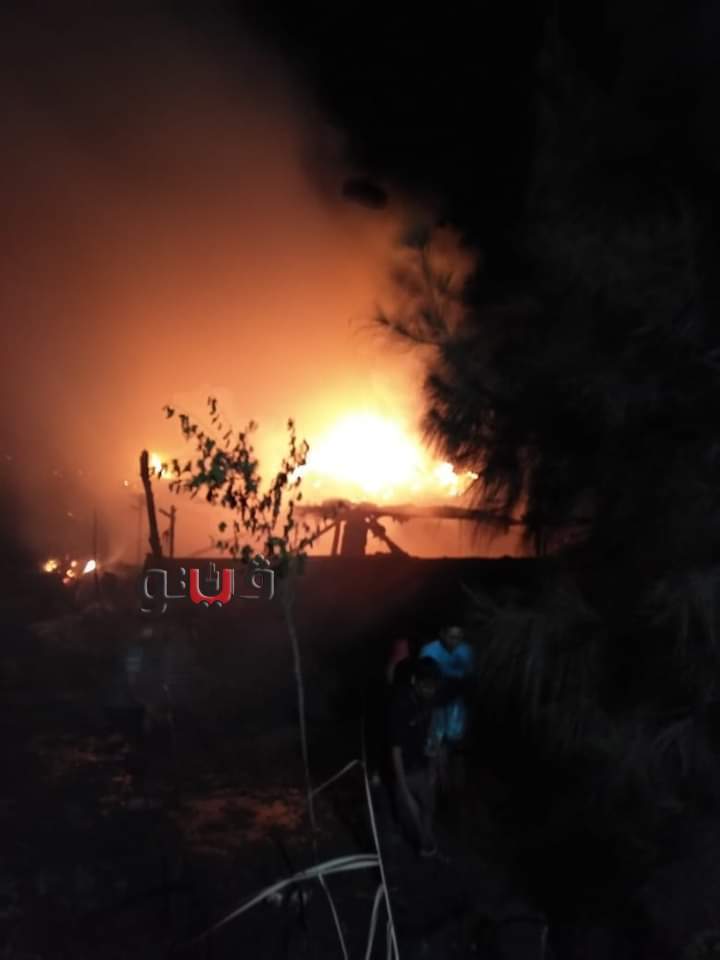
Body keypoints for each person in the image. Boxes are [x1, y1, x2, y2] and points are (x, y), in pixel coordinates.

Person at [388, 656, 441, 857]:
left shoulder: (430, 700)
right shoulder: (399, 705)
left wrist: (433, 767)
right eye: (425, 686)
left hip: (423, 765)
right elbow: (395, 750)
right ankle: (420, 840)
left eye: (433, 687)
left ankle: (426, 838)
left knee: (429, 805)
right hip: (405, 769)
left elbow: (432, 732)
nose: (430, 691)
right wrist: (405, 792)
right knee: (410, 812)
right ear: (414, 681)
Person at [420, 624, 474, 799]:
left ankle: (453, 794)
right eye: (452, 636)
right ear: (442, 634)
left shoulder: (466, 651)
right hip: (435, 708)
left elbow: (469, 680)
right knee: (434, 752)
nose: (456, 641)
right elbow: (426, 685)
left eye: (459, 637)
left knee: (455, 753)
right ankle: (433, 793)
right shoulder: (429, 651)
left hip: (457, 710)